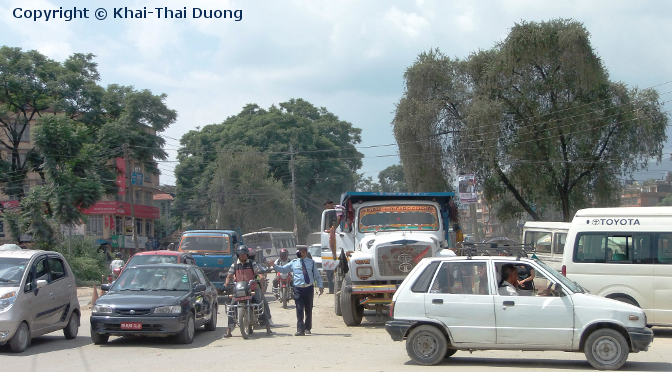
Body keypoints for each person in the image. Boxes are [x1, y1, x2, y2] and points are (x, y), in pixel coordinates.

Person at [269, 246, 324, 336]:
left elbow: (317, 276)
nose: (300, 253)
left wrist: (320, 286)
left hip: (308, 288)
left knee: (308, 308)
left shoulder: (311, 263)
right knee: (299, 308)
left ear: (305, 252)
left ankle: (307, 327)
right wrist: (274, 266)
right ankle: (300, 329)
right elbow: (283, 269)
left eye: (302, 252)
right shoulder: (294, 263)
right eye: (299, 252)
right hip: (298, 288)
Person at [223, 245, 273, 337]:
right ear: (238, 255)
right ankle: (229, 331)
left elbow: (257, 271)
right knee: (232, 308)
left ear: (247, 254)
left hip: (252, 288)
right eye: (241, 254)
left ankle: (268, 327)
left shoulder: (252, 263)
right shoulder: (234, 264)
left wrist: (261, 278)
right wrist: (226, 283)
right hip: (238, 290)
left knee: (260, 304)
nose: (243, 256)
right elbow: (229, 275)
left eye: (244, 254)